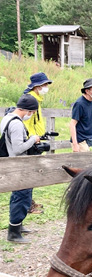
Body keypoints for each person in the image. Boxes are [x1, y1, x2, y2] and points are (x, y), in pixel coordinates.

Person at [1, 94, 40, 243]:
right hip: (19, 164)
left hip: (13, 163)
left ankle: (17, 225)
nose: (31, 115)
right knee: (22, 196)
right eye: (33, 112)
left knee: (17, 196)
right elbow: (18, 148)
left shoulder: (7, 118)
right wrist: (33, 139)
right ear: (28, 110)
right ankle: (14, 234)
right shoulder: (16, 123)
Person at [23, 72, 53, 214]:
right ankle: (27, 204)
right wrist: (31, 139)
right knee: (29, 174)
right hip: (31, 141)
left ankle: (29, 202)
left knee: (32, 173)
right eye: (45, 84)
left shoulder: (36, 99)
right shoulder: (31, 100)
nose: (46, 87)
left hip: (35, 138)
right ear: (37, 86)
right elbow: (27, 122)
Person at [70, 78, 92, 152]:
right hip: (80, 140)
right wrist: (75, 144)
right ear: (87, 91)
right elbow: (72, 123)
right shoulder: (80, 104)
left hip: (89, 139)